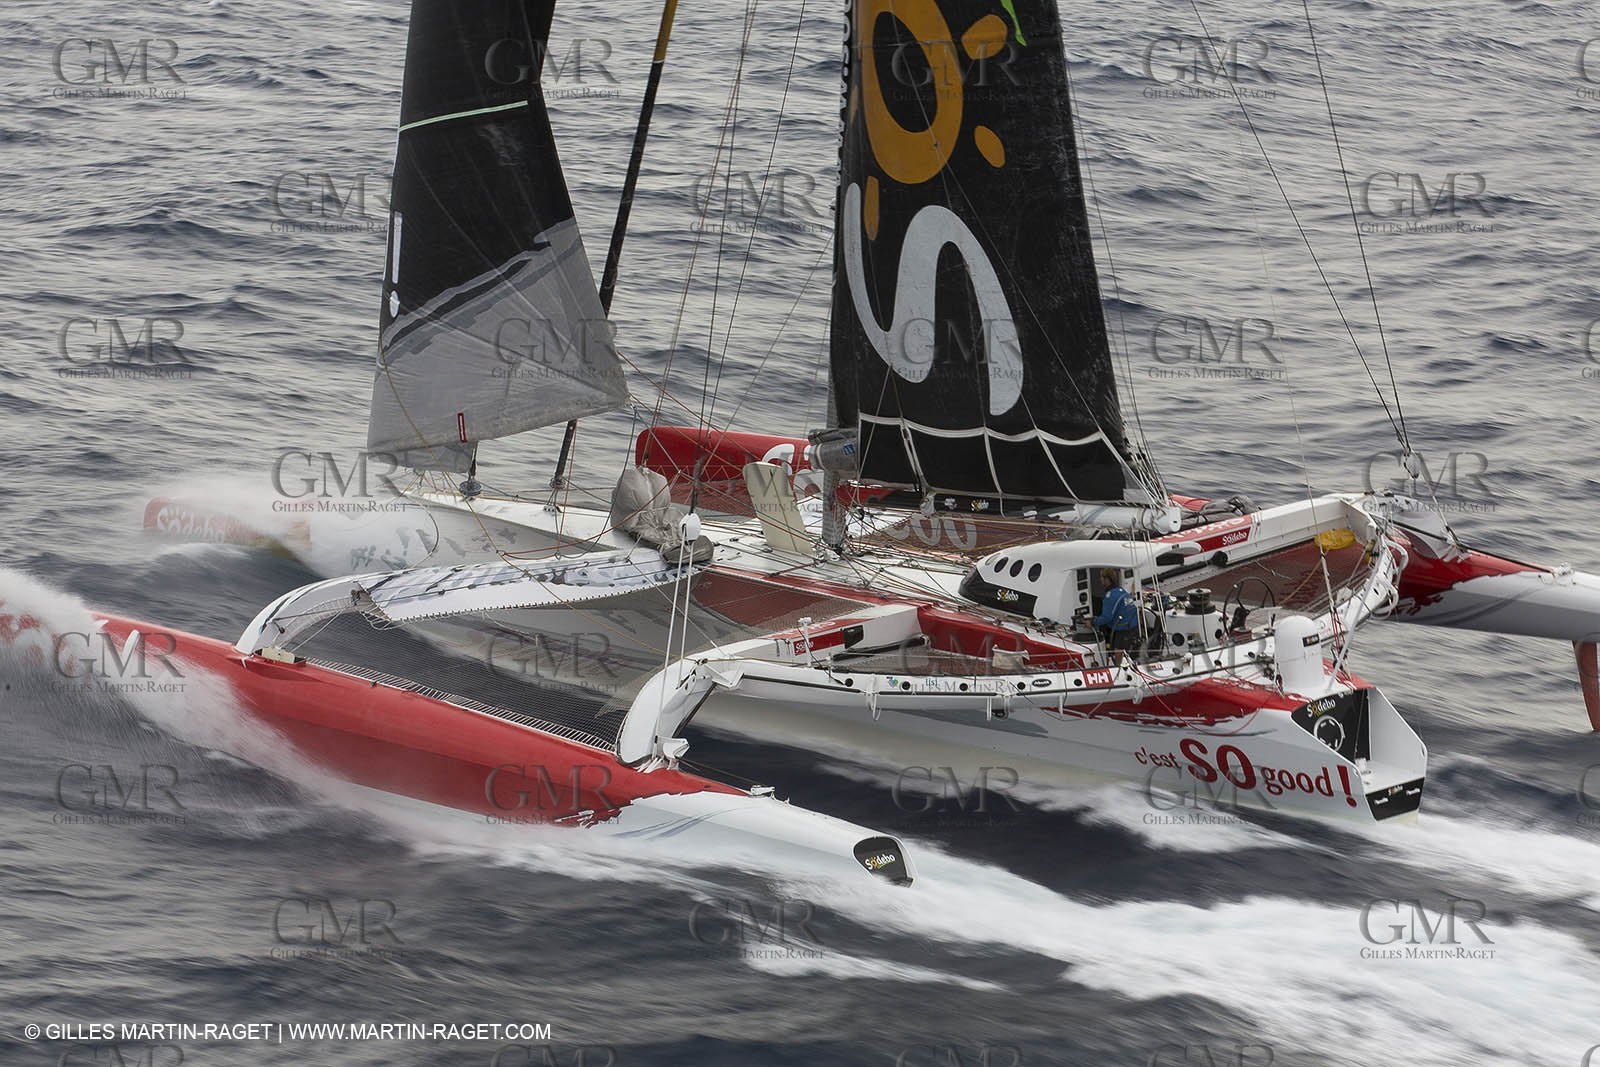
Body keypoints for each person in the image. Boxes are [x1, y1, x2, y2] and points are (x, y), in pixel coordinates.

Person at [1093, 568, 1141, 652]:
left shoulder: (1110, 596)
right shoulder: (1121, 590)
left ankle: (1116, 663)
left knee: (1118, 650)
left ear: (1107, 579)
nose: (1100, 579)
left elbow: (1106, 618)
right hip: (1134, 626)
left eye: (1101, 577)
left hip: (1123, 630)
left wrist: (1093, 622)